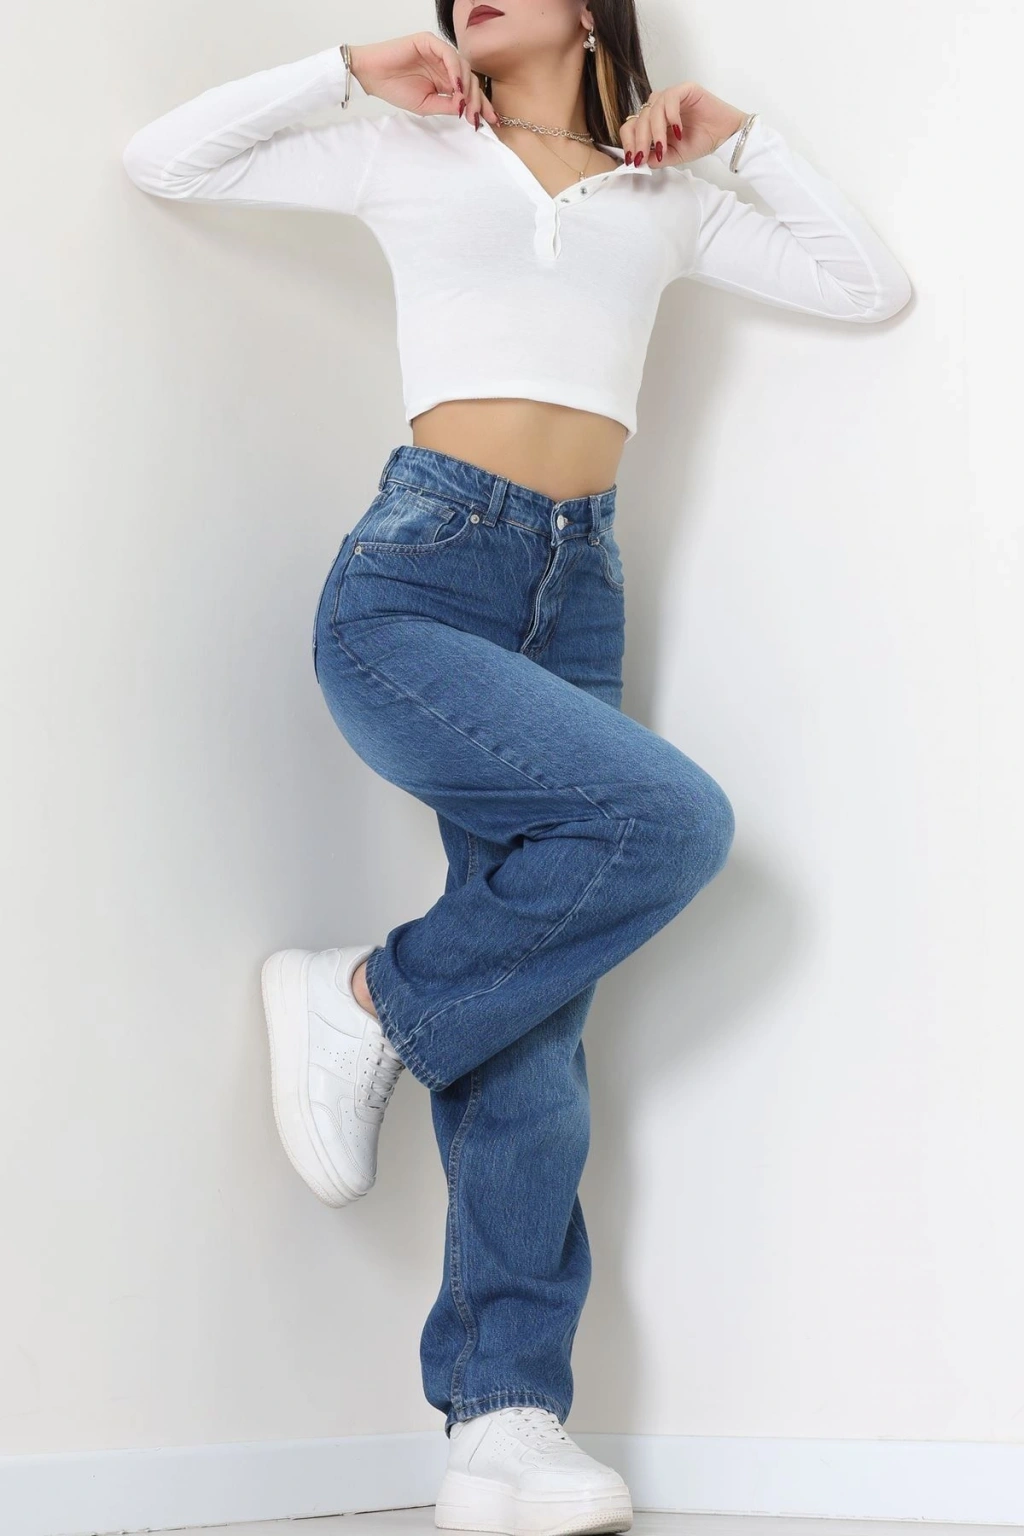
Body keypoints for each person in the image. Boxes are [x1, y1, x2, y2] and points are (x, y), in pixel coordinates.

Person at [121, 4, 912, 1530]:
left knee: (541, 1020)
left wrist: (741, 141)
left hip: (579, 588)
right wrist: (346, 72)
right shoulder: (403, 150)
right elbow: (166, 160)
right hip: (417, 579)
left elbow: (864, 283)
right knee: (672, 822)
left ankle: (503, 1424)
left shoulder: (660, 194)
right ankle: (372, 1000)